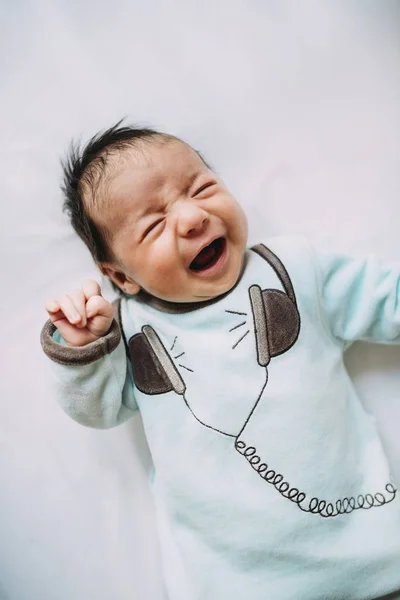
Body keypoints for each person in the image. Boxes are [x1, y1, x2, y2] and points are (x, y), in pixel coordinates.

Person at [41, 122, 400, 600]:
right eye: (153, 226)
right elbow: (97, 409)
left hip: (368, 554)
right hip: (234, 582)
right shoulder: (130, 332)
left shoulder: (293, 270)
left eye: (202, 187)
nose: (192, 217)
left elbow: (385, 299)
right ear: (120, 276)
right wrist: (85, 346)